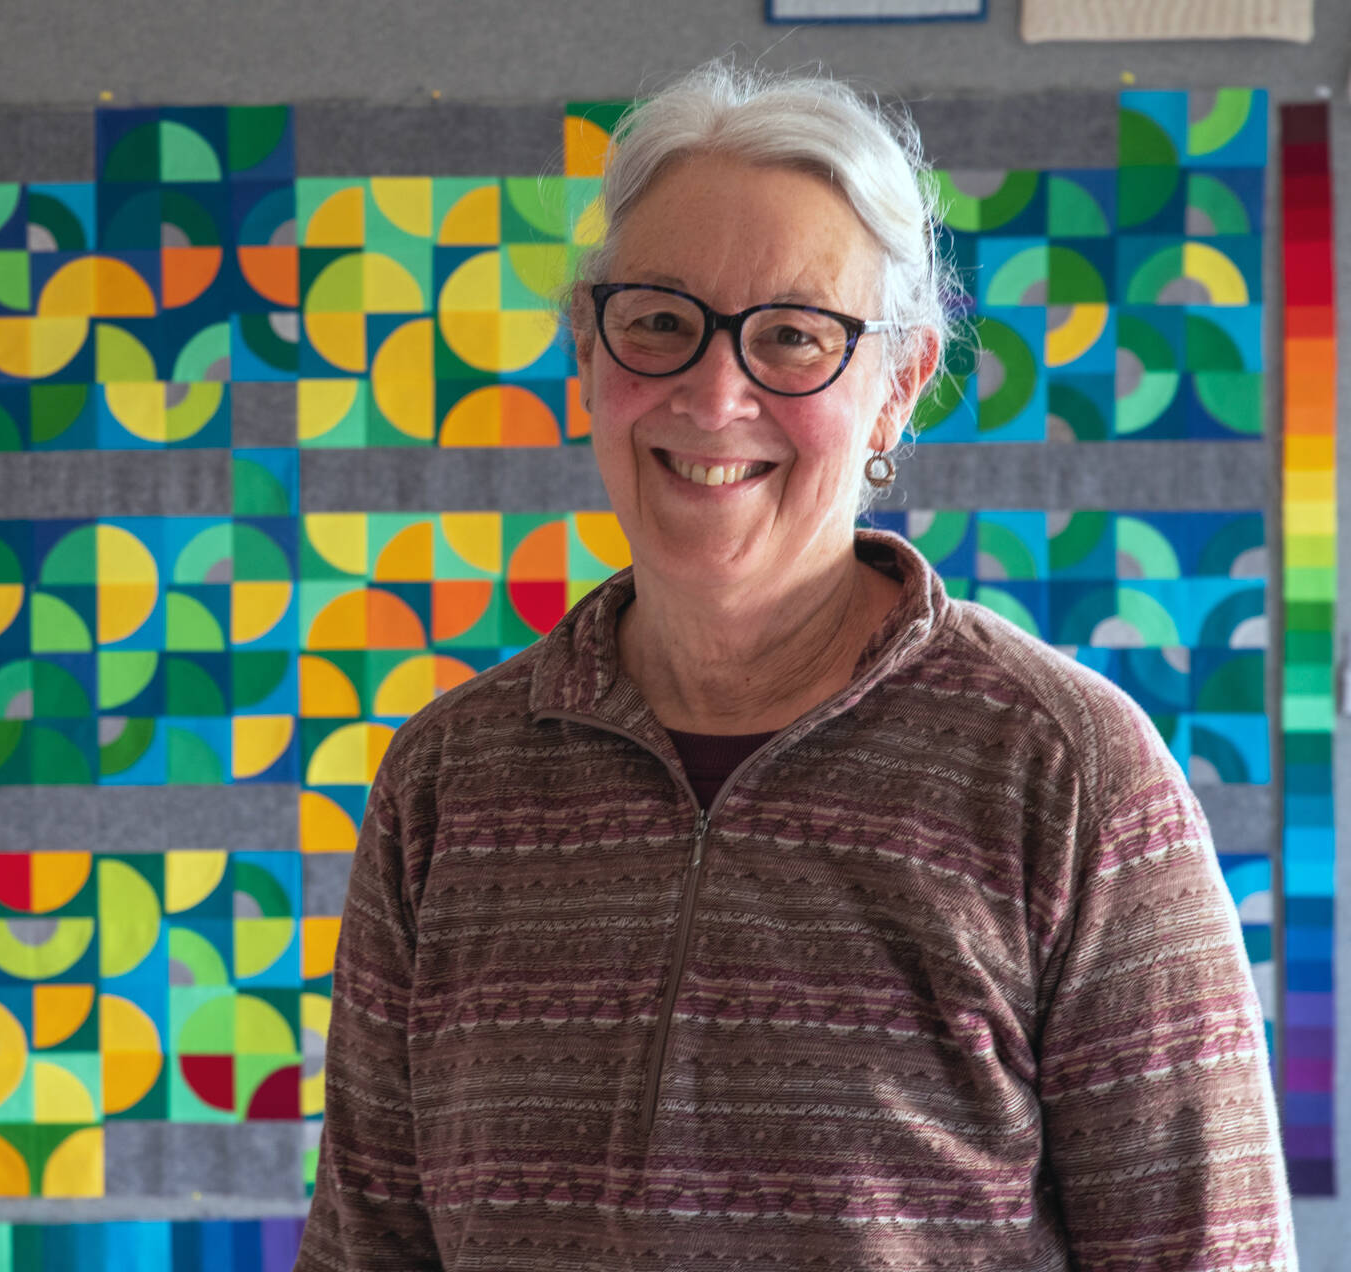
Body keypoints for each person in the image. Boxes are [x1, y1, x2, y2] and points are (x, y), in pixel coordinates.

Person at [295, 60, 1296, 1270]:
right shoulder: (448, 782)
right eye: (658, 322)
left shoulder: (1065, 776)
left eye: (792, 337)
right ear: (585, 353)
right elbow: (368, 1249)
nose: (713, 396)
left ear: (896, 389)